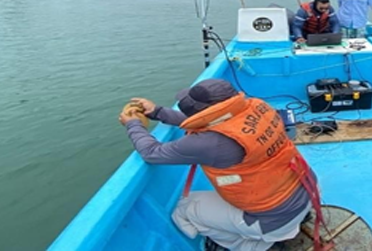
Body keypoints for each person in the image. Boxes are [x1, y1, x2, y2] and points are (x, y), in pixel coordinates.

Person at [119, 79, 317, 251]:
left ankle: (249, 245)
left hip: (271, 220)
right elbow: (211, 121)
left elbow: (151, 153)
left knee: (184, 209)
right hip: (308, 191)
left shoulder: (210, 142)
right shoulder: (258, 107)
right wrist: (157, 112)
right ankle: (287, 225)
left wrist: (134, 125)